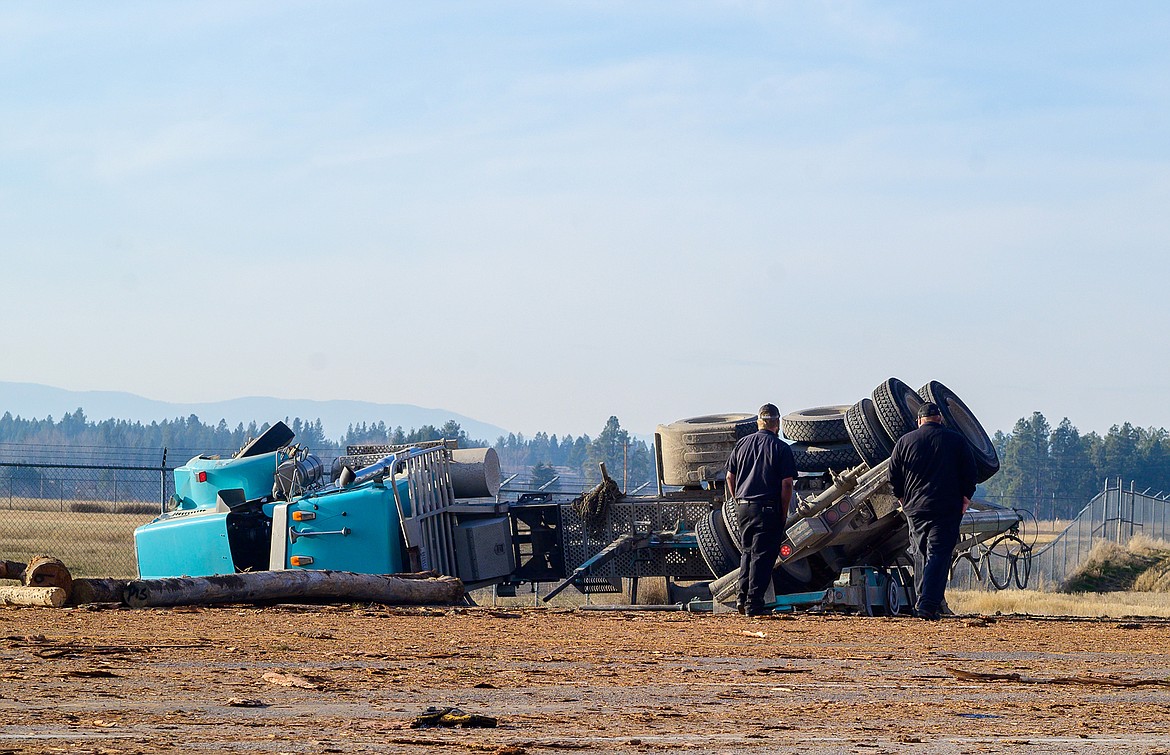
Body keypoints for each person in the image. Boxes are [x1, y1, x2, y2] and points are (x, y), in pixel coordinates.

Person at [888, 402, 977, 620]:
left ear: (919, 421)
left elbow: (893, 476)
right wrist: (965, 498)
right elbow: (970, 473)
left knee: (920, 553)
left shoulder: (905, 442)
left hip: (915, 509)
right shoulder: (956, 440)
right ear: (940, 419)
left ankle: (923, 600)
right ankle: (927, 605)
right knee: (938, 553)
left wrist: (903, 499)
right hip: (946, 507)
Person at [725, 403, 796, 617]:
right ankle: (754, 605)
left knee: (747, 553)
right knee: (762, 557)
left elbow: (730, 476)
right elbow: (787, 484)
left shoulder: (742, 444)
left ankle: (741, 597)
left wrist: (738, 499)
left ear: (759, 422)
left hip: (744, 508)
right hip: (767, 508)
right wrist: (783, 512)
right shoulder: (781, 448)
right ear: (778, 423)